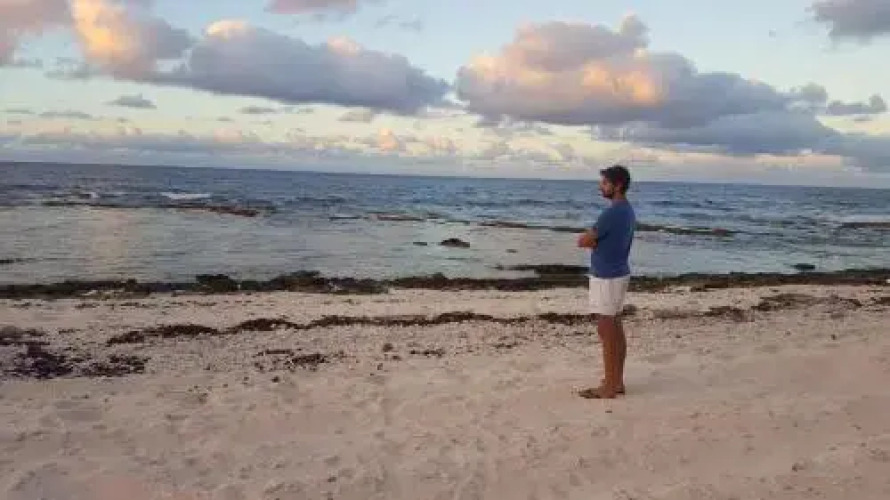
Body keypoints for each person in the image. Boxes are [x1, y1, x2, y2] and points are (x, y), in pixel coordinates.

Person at [576, 165, 636, 399]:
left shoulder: (612, 213)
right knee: (614, 327)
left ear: (617, 185)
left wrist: (591, 240)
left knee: (607, 329)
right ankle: (615, 381)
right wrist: (594, 240)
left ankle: (610, 386)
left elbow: (584, 240)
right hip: (616, 273)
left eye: (604, 183)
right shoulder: (626, 210)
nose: (600, 187)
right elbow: (595, 239)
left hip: (608, 276)